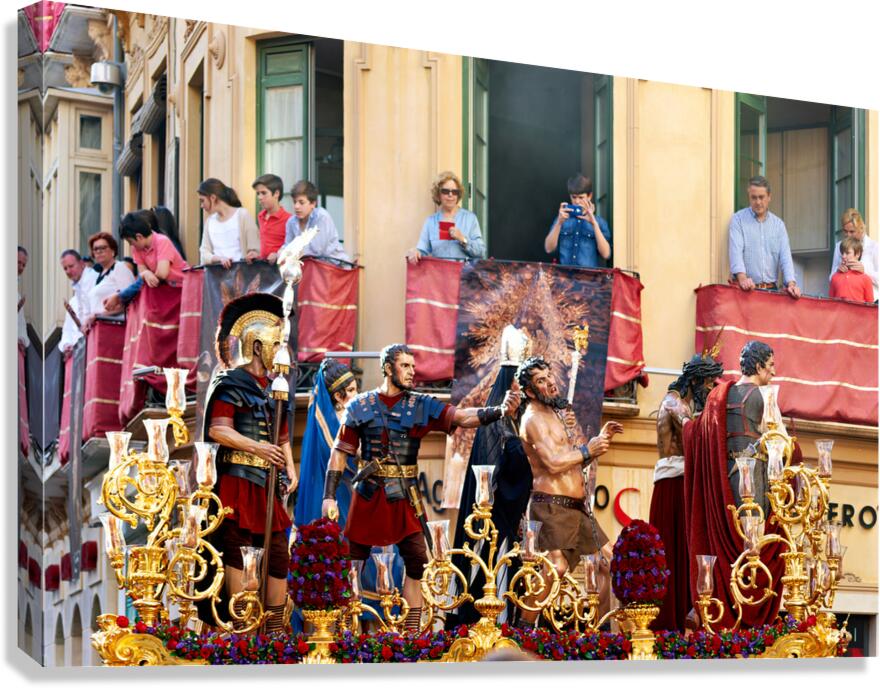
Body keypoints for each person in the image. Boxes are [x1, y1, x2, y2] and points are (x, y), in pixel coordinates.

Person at [321, 343, 518, 631]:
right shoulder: (359, 406)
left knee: (417, 560)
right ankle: (347, 629)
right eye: (405, 366)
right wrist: (329, 496)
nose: (413, 372)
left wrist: (499, 411)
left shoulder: (422, 405)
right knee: (353, 562)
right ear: (388, 368)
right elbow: (340, 454)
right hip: (369, 494)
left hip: (404, 496)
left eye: (414, 366)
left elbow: (462, 417)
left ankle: (411, 633)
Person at [203, 292, 298, 632]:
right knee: (240, 556)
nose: (281, 351)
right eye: (276, 342)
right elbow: (219, 430)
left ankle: (274, 636)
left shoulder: (276, 387)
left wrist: (290, 466)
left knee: (278, 557)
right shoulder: (230, 383)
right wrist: (258, 448)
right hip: (237, 485)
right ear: (257, 345)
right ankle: (241, 634)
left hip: (268, 486)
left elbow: (282, 434)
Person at [683, 340, 791, 628]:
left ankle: (721, 603)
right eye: (770, 365)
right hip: (754, 481)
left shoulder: (719, 395)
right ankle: (750, 601)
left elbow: (700, 431)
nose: (774, 370)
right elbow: (778, 443)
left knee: (735, 543)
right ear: (758, 366)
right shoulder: (765, 396)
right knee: (754, 544)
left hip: (723, 485)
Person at [515, 356, 623, 628]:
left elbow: (572, 458)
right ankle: (521, 632)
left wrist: (599, 441)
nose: (550, 382)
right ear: (529, 391)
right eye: (541, 380)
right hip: (550, 505)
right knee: (555, 570)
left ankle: (599, 634)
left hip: (577, 508)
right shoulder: (533, 419)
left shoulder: (557, 414)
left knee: (608, 562)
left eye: (549, 375)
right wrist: (589, 450)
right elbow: (552, 463)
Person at [648, 352, 723, 631]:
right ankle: (668, 624)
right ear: (696, 380)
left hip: (685, 480)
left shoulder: (688, 403)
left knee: (689, 550)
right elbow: (691, 428)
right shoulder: (673, 403)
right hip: (672, 484)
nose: (710, 389)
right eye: (707, 383)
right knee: (673, 550)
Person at [295, 358, 359, 527]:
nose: (356, 395)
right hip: (341, 488)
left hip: (349, 490)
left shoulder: (340, 418)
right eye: (351, 390)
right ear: (338, 396)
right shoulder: (339, 420)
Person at [728, 175, 801, 299]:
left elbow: (785, 258)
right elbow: (736, 253)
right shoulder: (738, 220)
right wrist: (743, 279)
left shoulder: (779, 225)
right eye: (754, 198)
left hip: (772, 292)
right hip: (745, 291)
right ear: (749, 197)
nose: (758, 202)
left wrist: (791, 283)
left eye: (761, 197)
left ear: (769, 197)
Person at [406, 171, 486, 264]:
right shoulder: (430, 222)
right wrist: (415, 252)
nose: (450, 195)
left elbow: (481, 252)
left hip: (464, 276)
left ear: (458, 195)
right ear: (438, 194)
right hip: (439, 276)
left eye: (454, 192)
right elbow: (422, 250)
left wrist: (463, 239)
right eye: (445, 191)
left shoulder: (470, 219)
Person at [543, 174, 612, 268]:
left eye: (581, 197)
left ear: (589, 196)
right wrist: (559, 223)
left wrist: (594, 224)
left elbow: (606, 254)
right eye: (574, 197)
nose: (577, 201)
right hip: (566, 280)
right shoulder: (562, 219)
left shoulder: (599, 222)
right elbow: (548, 249)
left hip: (589, 280)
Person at [282, 179, 351, 263]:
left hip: (334, 268)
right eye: (295, 202)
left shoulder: (321, 217)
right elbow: (287, 245)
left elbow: (316, 251)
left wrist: (290, 253)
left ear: (313, 204)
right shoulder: (291, 222)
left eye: (301, 202)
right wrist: (280, 252)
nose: (296, 206)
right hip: (310, 268)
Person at [198, 178, 260, 268]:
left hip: (242, 276)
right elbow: (204, 254)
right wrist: (220, 259)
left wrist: (252, 254)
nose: (201, 205)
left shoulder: (242, 215)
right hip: (216, 278)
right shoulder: (209, 222)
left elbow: (255, 248)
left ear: (213, 198)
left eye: (202, 200)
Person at [80, 232, 136, 331]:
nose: (99, 251)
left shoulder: (120, 268)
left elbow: (131, 302)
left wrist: (100, 315)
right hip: (99, 329)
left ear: (113, 251)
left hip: (115, 328)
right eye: (96, 249)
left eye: (103, 248)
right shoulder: (98, 276)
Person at [118, 210, 189, 288]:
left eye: (130, 241)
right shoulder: (136, 248)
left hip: (183, 286)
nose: (130, 245)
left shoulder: (162, 241)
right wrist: (145, 274)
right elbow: (142, 272)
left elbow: (162, 274)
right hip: (165, 288)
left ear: (139, 237)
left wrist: (146, 274)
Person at [830, 208, 878, 301]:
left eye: (852, 231)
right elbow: (831, 278)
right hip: (844, 304)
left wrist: (865, 271)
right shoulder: (839, 246)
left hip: (872, 303)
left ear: (860, 229)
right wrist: (837, 270)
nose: (848, 235)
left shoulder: (874, 247)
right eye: (845, 231)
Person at [58, 249, 98, 355]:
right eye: (65, 268)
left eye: (71, 266)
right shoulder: (77, 290)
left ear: (82, 264)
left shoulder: (91, 279)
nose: (68, 271)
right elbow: (68, 329)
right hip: (81, 346)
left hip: (94, 341)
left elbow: (90, 314)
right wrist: (66, 344)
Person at [252, 174, 291, 264]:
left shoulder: (289, 220)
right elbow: (265, 247)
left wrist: (278, 255)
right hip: (264, 272)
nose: (260, 197)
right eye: (258, 193)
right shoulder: (260, 216)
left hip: (281, 272)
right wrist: (256, 255)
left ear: (276, 193)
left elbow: (295, 249)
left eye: (264, 193)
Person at [829, 237, 874, 303]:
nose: (843, 256)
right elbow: (830, 303)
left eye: (847, 253)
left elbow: (870, 305)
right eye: (842, 253)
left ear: (857, 254)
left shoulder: (866, 279)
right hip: (839, 312)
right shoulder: (835, 277)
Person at [18, 247, 29, 349]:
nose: (21, 268)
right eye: (18, 262)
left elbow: (21, 324)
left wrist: (23, 339)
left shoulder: (17, 295)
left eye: (23, 265)